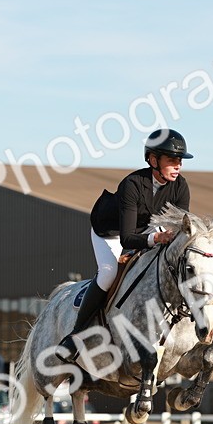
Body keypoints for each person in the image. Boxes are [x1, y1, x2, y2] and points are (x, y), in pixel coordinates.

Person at [57, 128, 194, 362]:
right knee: (109, 274)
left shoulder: (180, 186)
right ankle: (75, 336)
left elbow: (179, 230)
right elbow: (127, 239)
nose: (178, 165)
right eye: (171, 160)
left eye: (179, 160)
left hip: (148, 230)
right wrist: (155, 239)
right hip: (110, 232)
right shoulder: (133, 184)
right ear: (153, 159)